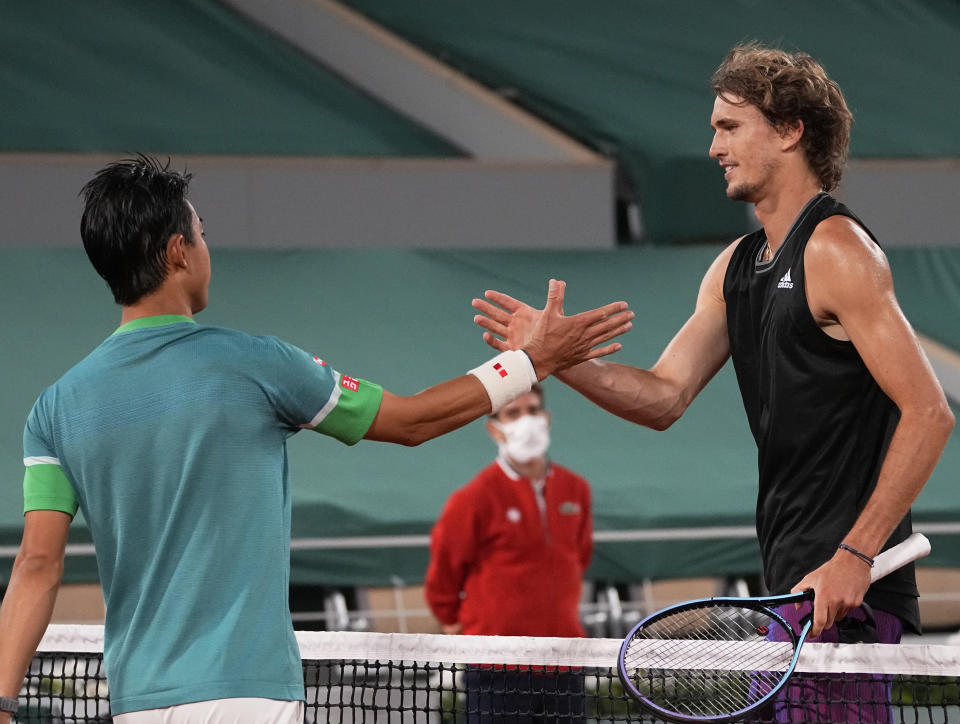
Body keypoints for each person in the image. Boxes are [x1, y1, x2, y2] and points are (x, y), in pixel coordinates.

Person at [0, 155, 634, 724]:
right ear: (177, 253)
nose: (206, 247)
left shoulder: (53, 409)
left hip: (136, 702)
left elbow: (36, 566)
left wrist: (1, 701)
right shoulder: (257, 362)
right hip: (249, 697)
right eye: (202, 233)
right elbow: (412, 421)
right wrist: (529, 363)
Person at [473, 43, 954, 721]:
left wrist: (854, 553)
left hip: (846, 597)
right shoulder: (734, 269)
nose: (712, 147)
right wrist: (555, 360)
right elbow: (664, 396)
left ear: (789, 130)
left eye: (729, 127)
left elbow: (930, 412)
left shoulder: (838, 251)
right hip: (791, 597)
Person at [425, 384, 592, 722]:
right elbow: (443, 577)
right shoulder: (473, 497)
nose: (526, 421)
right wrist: (457, 625)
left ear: (546, 418)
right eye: (513, 413)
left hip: (564, 662)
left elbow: (579, 557)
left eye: (532, 411)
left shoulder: (576, 489)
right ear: (494, 428)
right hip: (496, 668)